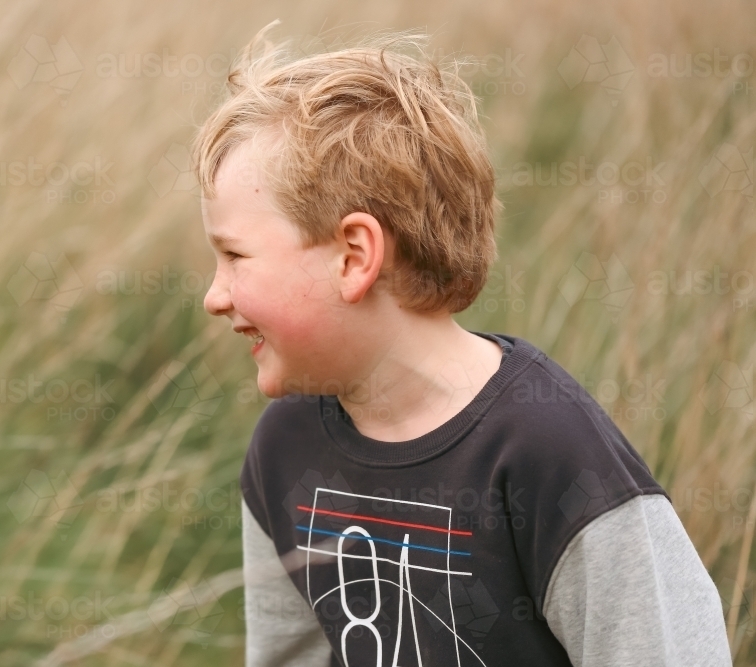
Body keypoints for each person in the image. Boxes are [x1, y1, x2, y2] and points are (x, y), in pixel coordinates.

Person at [191, 20, 733, 667]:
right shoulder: (283, 451)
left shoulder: (547, 453)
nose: (214, 295)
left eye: (235, 256)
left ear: (354, 256)